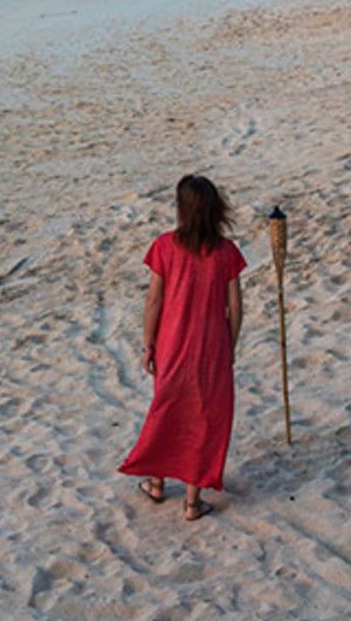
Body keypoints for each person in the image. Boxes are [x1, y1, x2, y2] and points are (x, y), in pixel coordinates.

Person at [118, 174, 245, 521]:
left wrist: (148, 343)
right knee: (203, 417)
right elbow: (235, 307)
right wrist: (229, 347)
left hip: (172, 344)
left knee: (168, 409)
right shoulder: (226, 252)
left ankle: (157, 484)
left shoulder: (165, 247)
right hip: (212, 347)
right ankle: (192, 501)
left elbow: (154, 300)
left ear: (181, 210)